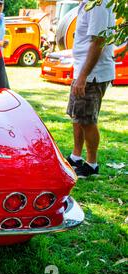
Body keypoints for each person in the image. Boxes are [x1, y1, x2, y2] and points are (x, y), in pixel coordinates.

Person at [65, 0, 115, 178]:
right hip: (83, 70)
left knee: (87, 119)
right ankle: (75, 157)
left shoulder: (98, 4)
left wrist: (83, 76)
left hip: (93, 74)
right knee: (77, 116)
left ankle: (91, 164)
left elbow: (99, 41)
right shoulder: (87, 3)